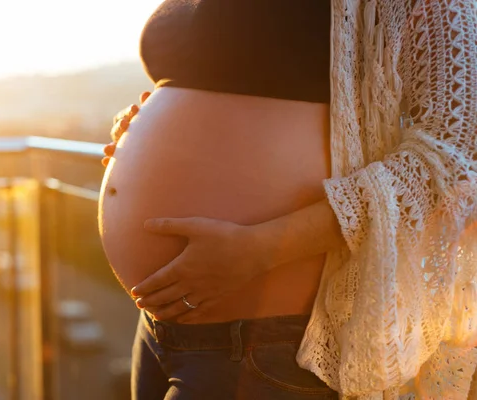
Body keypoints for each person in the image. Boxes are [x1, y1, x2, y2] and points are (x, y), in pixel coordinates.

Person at [98, 1, 477, 399]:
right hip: (158, 324)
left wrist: (260, 249)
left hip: (271, 337)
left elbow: (460, 154)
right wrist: (145, 123)